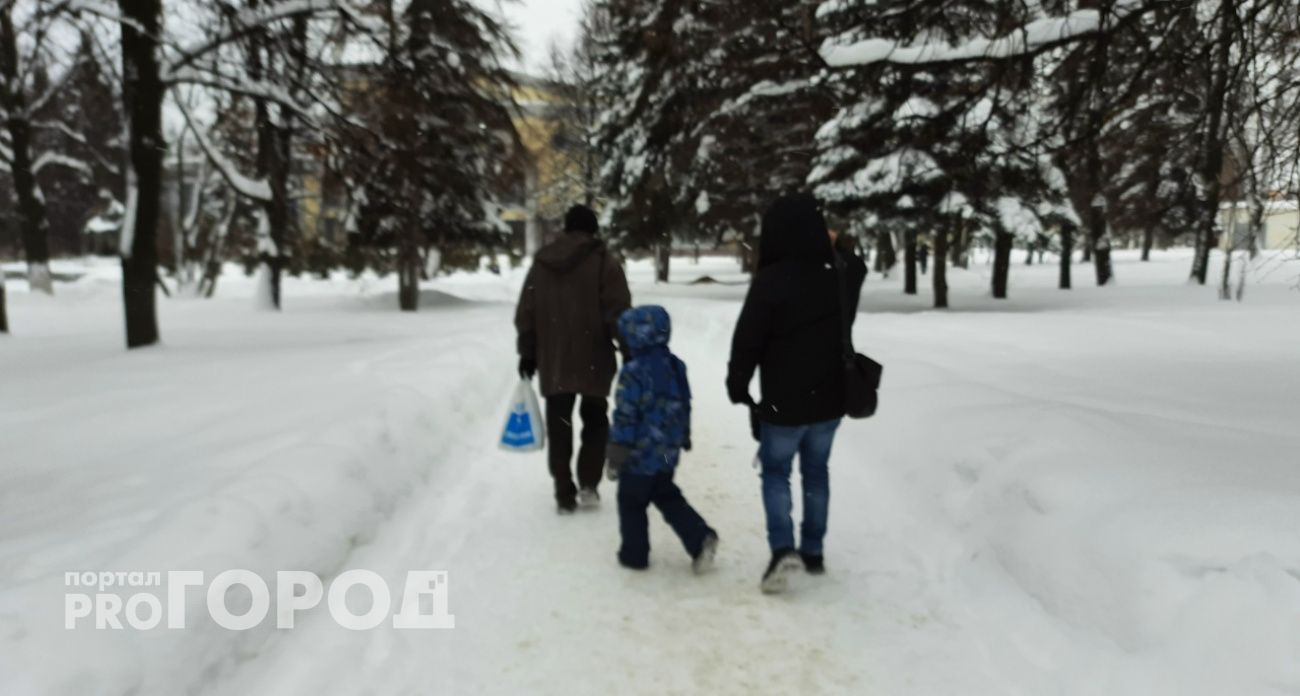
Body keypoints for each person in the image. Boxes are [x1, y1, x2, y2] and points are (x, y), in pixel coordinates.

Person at [727, 193, 867, 594]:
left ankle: (782, 549)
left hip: (782, 399)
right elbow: (858, 265)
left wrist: (738, 385)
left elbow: (748, 339)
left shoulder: (772, 280)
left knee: (776, 472)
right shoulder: (839, 274)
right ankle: (813, 550)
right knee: (816, 472)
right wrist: (838, 242)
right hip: (830, 397)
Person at [515, 205, 632, 514]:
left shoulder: (542, 263)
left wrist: (527, 352)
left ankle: (563, 490)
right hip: (594, 355)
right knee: (595, 419)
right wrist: (629, 350)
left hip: (553, 359)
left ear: (566, 229)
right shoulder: (605, 263)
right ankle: (589, 484)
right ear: (593, 230)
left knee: (560, 424)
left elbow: (526, 311)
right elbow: (618, 312)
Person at [606, 306, 718, 572]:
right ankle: (700, 537)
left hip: (639, 455)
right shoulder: (676, 366)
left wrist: (617, 453)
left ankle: (634, 555)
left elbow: (626, 415)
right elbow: (684, 403)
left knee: (631, 501)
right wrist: (684, 434)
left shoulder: (633, 372)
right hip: (668, 451)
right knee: (665, 493)